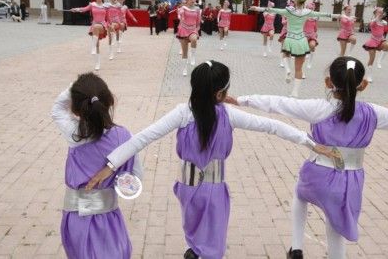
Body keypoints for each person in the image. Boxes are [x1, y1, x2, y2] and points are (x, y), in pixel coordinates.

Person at [85, 60, 333, 259]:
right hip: (214, 189)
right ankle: (198, 251)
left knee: (192, 229)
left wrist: (111, 164)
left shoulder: (182, 113)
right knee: (213, 242)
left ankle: (194, 250)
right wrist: (310, 142)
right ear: (219, 94)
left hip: (187, 187)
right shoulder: (228, 115)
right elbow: (272, 126)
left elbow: (142, 138)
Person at [227, 56, 388, 259]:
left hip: (316, 174)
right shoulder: (373, 113)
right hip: (350, 180)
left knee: (300, 196)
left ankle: (296, 248)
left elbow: (279, 103)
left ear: (328, 83)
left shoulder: (318, 108)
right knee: (335, 230)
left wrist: (242, 100)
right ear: (363, 85)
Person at [52, 72, 143, 259]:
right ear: (108, 102)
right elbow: (136, 176)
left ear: (77, 109)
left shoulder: (74, 134)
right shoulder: (123, 137)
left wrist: (75, 86)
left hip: (75, 218)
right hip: (108, 218)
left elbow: (57, 109)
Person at [250, 0, 337, 98]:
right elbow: (324, 14)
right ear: (304, 2)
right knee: (299, 68)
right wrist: (339, 16)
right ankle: (295, 92)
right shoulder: (307, 12)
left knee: (285, 54)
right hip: (301, 40)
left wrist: (257, 8)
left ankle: (287, 69)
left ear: (295, 2)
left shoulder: (289, 11)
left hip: (290, 38)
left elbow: (273, 10)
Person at [70, 0, 108, 71]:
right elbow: (84, 9)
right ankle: (97, 63)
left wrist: (110, 26)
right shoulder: (92, 5)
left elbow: (108, 18)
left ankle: (93, 47)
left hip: (102, 25)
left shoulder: (106, 6)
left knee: (96, 27)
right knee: (97, 44)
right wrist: (76, 9)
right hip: (94, 26)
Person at [362, 7, 388, 82]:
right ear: (375, 13)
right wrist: (378, 17)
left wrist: (383, 21)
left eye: (381, 12)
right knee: (372, 58)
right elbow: (373, 23)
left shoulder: (383, 22)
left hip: (381, 40)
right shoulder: (373, 21)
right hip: (373, 41)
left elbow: (385, 28)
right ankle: (369, 76)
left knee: (387, 45)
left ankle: (379, 61)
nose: (381, 13)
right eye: (379, 12)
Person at [177, 0, 201, 76]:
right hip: (183, 29)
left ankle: (193, 55)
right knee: (184, 52)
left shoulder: (197, 9)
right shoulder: (183, 8)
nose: (193, 1)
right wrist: (181, 14)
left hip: (192, 29)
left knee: (194, 39)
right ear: (187, 0)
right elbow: (180, 14)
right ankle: (184, 69)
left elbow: (198, 21)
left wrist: (197, 29)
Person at [303, 2, 319, 70]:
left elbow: (315, 27)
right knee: (304, 45)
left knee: (312, 45)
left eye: (311, 9)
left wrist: (315, 33)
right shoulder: (304, 16)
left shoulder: (315, 18)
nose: (310, 10)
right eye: (309, 8)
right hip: (304, 34)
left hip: (312, 34)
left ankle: (310, 62)